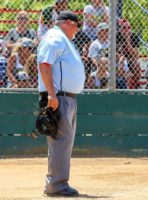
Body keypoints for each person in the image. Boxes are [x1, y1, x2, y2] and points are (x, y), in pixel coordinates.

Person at [37, 10, 85, 196]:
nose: (77, 30)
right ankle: (56, 185)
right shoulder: (55, 37)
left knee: (64, 142)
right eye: (76, 25)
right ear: (67, 22)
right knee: (61, 141)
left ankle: (57, 182)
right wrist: (51, 94)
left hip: (65, 97)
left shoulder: (63, 39)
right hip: (58, 97)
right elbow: (44, 64)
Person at [117, 19, 141, 89]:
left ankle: (136, 85)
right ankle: (123, 85)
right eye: (124, 28)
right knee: (121, 62)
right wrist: (121, 57)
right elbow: (113, 53)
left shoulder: (134, 36)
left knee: (137, 64)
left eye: (129, 27)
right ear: (120, 28)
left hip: (130, 60)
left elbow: (136, 55)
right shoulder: (116, 36)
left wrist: (128, 41)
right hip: (118, 60)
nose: (127, 29)